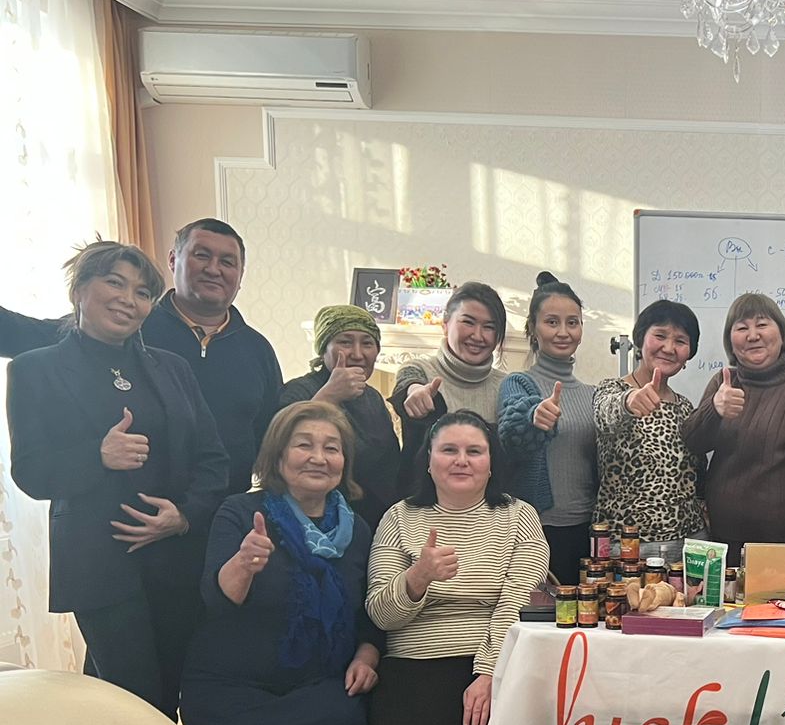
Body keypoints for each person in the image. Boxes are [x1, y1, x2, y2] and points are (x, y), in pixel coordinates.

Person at [5, 239, 229, 717]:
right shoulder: (35, 369)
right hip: (99, 565)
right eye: (115, 283)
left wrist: (184, 515)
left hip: (175, 558)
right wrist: (98, 456)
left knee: (156, 694)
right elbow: (30, 473)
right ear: (79, 290)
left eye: (143, 292)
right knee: (140, 701)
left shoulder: (173, 368)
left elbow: (214, 459)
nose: (129, 299)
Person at [181, 402, 381, 725]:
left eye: (331, 448)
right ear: (277, 454)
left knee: (341, 721)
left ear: (345, 461)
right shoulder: (241, 512)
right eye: (304, 445)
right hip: (234, 683)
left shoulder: (358, 528)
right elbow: (217, 599)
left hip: (319, 678)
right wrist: (243, 564)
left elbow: (368, 612)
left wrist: (367, 656)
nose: (318, 457)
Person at [365, 411, 549, 725]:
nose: (461, 460)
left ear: (491, 462)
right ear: (428, 461)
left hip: (495, 655)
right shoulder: (400, 518)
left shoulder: (519, 517)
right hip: (414, 658)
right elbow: (381, 614)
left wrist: (487, 673)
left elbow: (514, 603)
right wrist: (418, 577)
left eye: (474, 451)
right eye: (449, 450)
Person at [1, 218, 281, 497]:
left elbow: (272, 437)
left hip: (226, 512)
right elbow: (24, 334)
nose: (213, 269)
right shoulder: (123, 322)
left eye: (227, 262)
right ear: (173, 260)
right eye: (201, 255)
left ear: (240, 275)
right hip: (127, 511)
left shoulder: (258, 350)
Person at [680, 292, 785, 559]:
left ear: (782, 334)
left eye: (762, 324)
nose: (753, 335)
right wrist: (715, 409)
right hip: (723, 542)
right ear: (730, 341)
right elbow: (694, 443)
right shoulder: (724, 382)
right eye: (742, 328)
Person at [498, 272, 596, 582]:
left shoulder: (593, 394)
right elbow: (511, 431)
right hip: (537, 529)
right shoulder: (518, 384)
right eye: (552, 322)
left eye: (572, 322)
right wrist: (533, 417)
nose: (563, 332)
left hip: (590, 531)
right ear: (533, 328)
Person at [592, 299, 708, 545]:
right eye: (660, 336)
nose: (669, 348)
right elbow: (605, 413)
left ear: (689, 353)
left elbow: (698, 473)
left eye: (680, 341)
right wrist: (629, 401)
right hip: (628, 545)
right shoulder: (612, 390)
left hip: (688, 541)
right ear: (640, 339)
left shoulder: (685, 407)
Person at [278, 304, 401, 528]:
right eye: (345, 342)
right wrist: (329, 396)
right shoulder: (298, 391)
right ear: (323, 349)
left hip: (373, 521)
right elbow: (278, 450)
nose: (357, 354)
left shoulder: (373, 398)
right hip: (311, 518)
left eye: (367, 344)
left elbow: (390, 465)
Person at [390, 281, 510, 494]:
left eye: (489, 327)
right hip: (423, 504)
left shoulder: (507, 385)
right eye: (468, 322)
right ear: (445, 324)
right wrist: (415, 392)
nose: (478, 336)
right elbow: (408, 383)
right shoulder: (420, 369)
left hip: (489, 507)